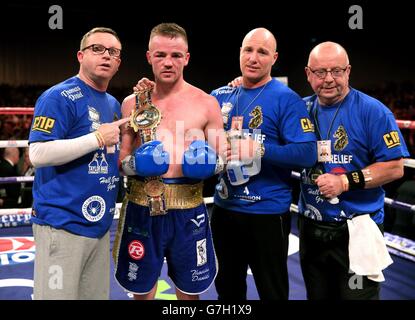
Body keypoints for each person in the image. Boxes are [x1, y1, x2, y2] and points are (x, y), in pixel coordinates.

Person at [113, 23, 225, 300]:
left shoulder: (206, 103)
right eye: (160, 55)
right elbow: (121, 160)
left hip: (189, 213)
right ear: (149, 57)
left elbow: (224, 157)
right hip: (141, 207)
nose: (168, 62)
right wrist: (137, 165)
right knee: (142, 292)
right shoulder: (132, 103)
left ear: (186, 58)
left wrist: (209, 164)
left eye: (176, 55)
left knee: (189, 292)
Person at [210, 28, 317, 300]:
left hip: (267, 214)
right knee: (227, 290)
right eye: (248, 50)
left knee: (272, 291)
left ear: (274, 58)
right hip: (224, 210)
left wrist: (257, 148)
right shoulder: (221, 95)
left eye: (262, 52)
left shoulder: (287, 99)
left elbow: (307, 153)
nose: (254, 58)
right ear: (240, 53)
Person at [298, 41, 410, 300]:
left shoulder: (373, 111)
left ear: (348, 71)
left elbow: (395, 167)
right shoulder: (299, 110)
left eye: (336, 71)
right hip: (311, 227)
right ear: (307, 74)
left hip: (357, 229)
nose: (328, 79)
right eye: (320, 72)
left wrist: (345, 182)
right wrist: (240, 86)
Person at [28, 27, 127, 299]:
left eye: (113, 52)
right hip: (61, 224)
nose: (106, 55)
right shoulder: (57, 96)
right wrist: (96, 138)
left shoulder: (113, 103)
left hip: (98, 225)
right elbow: (37, 154)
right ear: (80, 55)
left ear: (118, 62)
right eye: (97, 49)